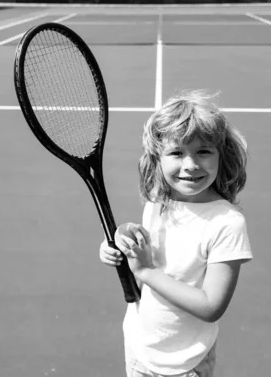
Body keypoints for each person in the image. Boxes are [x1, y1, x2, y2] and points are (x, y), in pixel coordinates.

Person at [99, 90, 253, 376]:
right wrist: (123, 240)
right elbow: (147, 259)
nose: (191, 165)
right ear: (158, 159)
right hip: (139, 348)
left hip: (185, 364)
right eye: (176, 152)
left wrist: (146, 272)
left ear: (222, 155)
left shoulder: (227, 223)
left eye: (203, 151)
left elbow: (211, 306)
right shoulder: (158, 201)